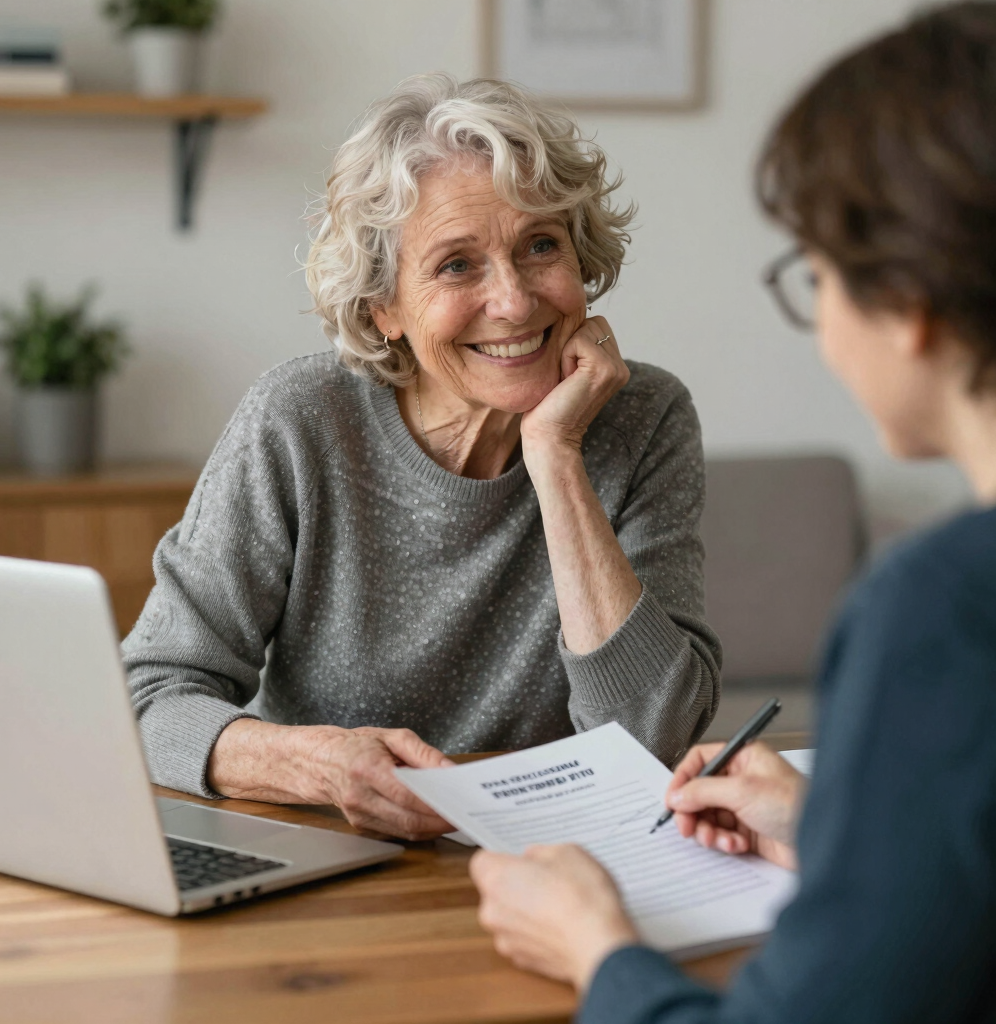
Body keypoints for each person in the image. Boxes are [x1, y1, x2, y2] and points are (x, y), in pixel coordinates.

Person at [470, 4, 996, 1021]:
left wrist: (597, 947)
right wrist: (841, 823)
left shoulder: (943, 607)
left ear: (909, 301)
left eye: (815, 275)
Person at [122, 73, 722, 841]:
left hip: (550, 863)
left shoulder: (642, 416)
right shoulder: (303, 421)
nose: (512, 301)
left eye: (541, 246)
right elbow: (150, 697)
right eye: (456, 265)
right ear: (385, 308)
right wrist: (313, 764)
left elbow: (652, 742)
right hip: (333, 854)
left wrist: (555, 454)